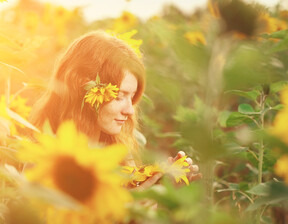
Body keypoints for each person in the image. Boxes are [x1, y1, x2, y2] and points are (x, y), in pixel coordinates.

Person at [30, 30, 200, 188]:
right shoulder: (44, 159)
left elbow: (133, 208)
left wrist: (164, 187)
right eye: (119, 96)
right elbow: (43, 220)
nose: (130, 110)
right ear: (83, 91)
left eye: (132, 97)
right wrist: (128, 210)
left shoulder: (117, 151)